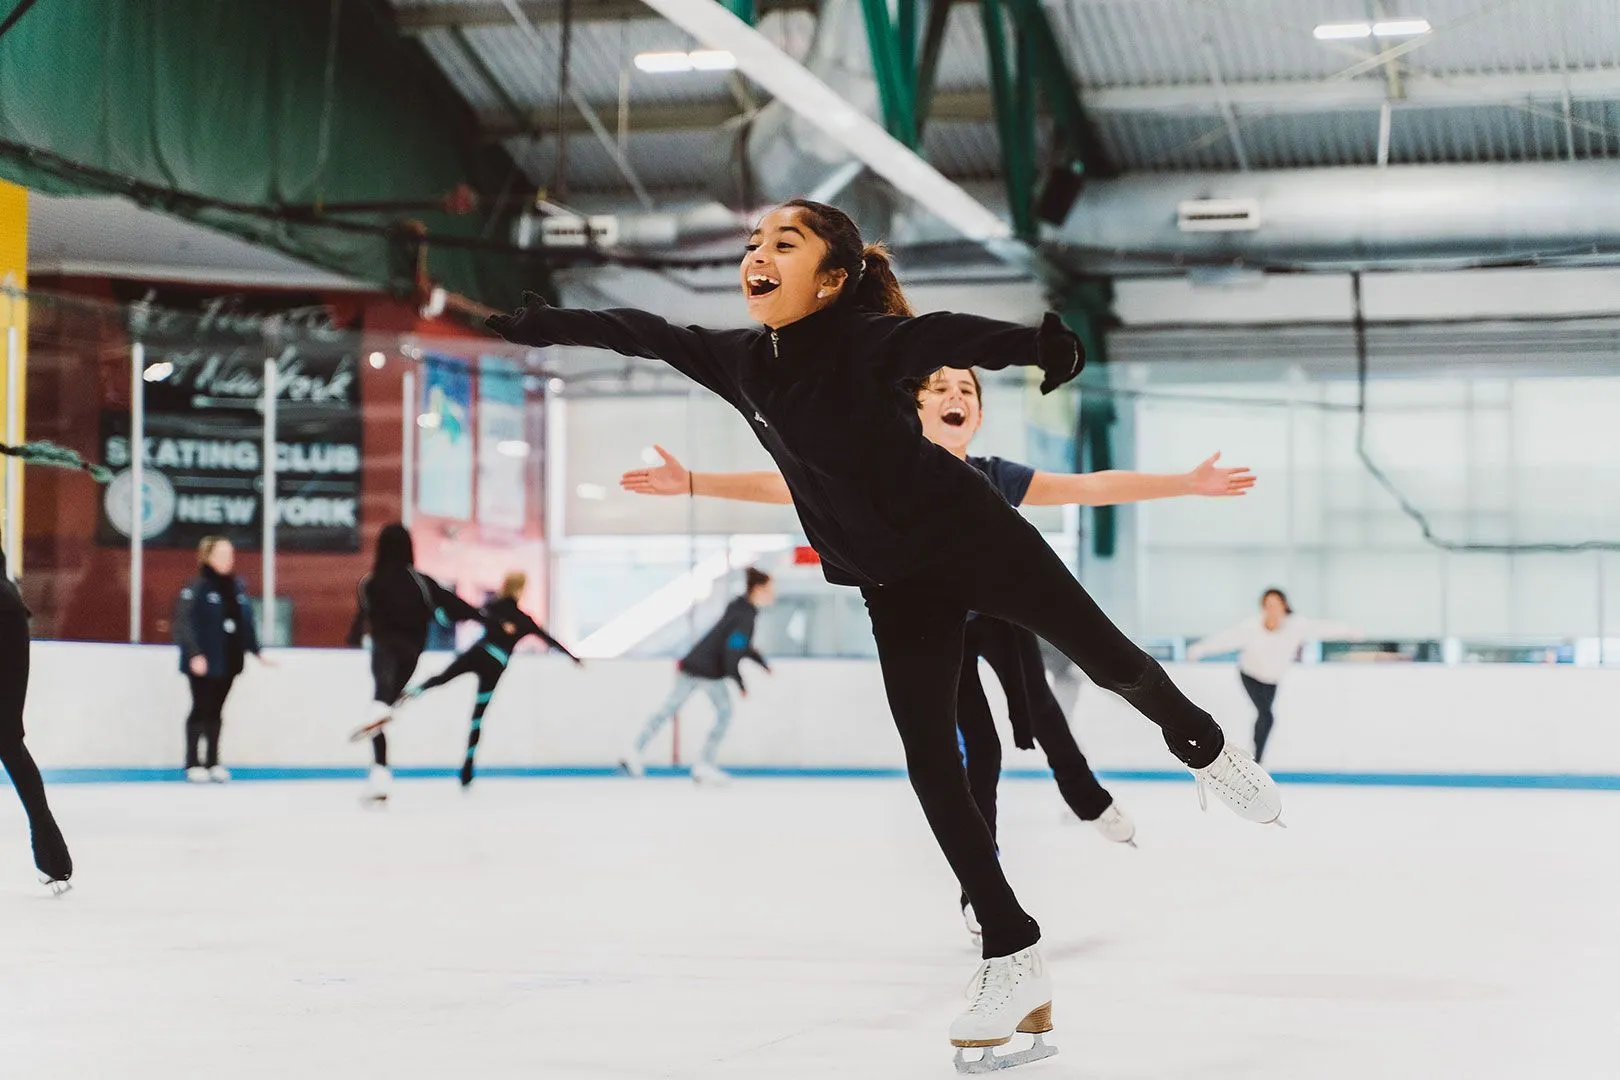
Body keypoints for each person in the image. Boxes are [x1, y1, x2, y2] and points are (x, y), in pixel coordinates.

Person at [487, 198, 1282, 1065]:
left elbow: (939, 334)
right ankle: (1011, 950)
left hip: (975, 539)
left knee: (1110, 660)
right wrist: (550, 324)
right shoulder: (739, 360)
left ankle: (1203, 745)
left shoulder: (863, 341)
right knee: (932, 765)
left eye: (783, 242)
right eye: (754, 242)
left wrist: (1036, 345)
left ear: (832, 279)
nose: (758, 252)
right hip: (893, 585)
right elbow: (641, 329)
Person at [623, 366, 1256, 944]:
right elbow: (783, 483)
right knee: (978, 749)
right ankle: (981, 889)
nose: (957, 398)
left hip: (1001, 617)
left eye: (969, 393)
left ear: (978, 415)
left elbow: (1086, 487)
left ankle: (1088, 798)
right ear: (913, 409)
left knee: (1037, 708)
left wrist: (1185, 483)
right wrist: (693, 482)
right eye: (941, 390)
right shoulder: (874, 478)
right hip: (936, 624)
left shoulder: (995, 475)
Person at [0, 440, 108, 894]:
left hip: (4, 619)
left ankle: (53, 855)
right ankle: (54, 857)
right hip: (8, 616)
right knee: (8, 741)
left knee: (7, 739)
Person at [395, 571, 582, 789]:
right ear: (521, 589)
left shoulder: (494, 607)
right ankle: (468, 767)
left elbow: (471, 614)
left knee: (442, 677)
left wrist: (447, 615)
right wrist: (573, 657)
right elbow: (549, 639)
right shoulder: (524, 620)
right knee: (478, 716)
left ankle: (413, 691)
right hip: (494, 665)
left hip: (479, 653)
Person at [346, 523, 483, 804]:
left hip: (383, 653)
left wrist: (354, 637)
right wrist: (485, 617)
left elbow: (361, 621)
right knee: (382, 705)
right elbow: (454, 606)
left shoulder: (371, 582)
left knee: (379, 700)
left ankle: (380, 771)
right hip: (410, 655)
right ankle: (380, 744)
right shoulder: (421, 583)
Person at [620, 567, 775, 786]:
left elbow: (738, 644)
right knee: (724, 713)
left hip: (693, 664)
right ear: (758, 589)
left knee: (669, 708)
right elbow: (732, 650)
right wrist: (740, 683)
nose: (773, 594)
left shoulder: (739, 608)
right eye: (770, 589)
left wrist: (761, 663)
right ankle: (704, 764)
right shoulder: (745, 616)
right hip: (708, 671)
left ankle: (634, 751)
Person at [1187, 588, 1360, 763]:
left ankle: (1257, 760)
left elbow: (1321, 628)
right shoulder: (1251, 627)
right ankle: (1257, 761)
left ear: (1284, 606)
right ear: (1263, 608)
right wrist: (1200, 649)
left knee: (1266, 717)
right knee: (1266, 715)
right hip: (1250, 675)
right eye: (1268, 605)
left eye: (1276, 605)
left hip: (1272, 681)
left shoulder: (1295, 625)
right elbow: (1226, 640)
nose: (1273, 610)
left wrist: (1348, 631)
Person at [174, 537, 270, 783]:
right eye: (223, 554)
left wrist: (257, 651)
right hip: (204, 660)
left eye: (231, 554)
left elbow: (245, 622)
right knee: (201, 707)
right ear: (208, 557)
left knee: (216, 711)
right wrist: (195, 653)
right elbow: (183, 623)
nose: (229, 559)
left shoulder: (236, 587)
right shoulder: (196, 586)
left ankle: (213, 761)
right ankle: (193, 762)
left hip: (229, 660)